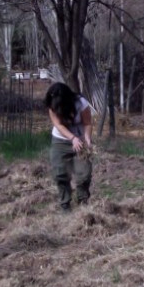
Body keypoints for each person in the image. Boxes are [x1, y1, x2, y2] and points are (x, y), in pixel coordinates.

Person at [44, 81, 93, 211]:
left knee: (84, 173)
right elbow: (59, 125)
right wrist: (72, 138)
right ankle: (65, 204)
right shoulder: (52, 104)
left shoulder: (81, 103)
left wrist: (87, 138)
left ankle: (83, 201)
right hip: (60, 140)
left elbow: (87, 123)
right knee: (60, 173)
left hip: (81, 140)